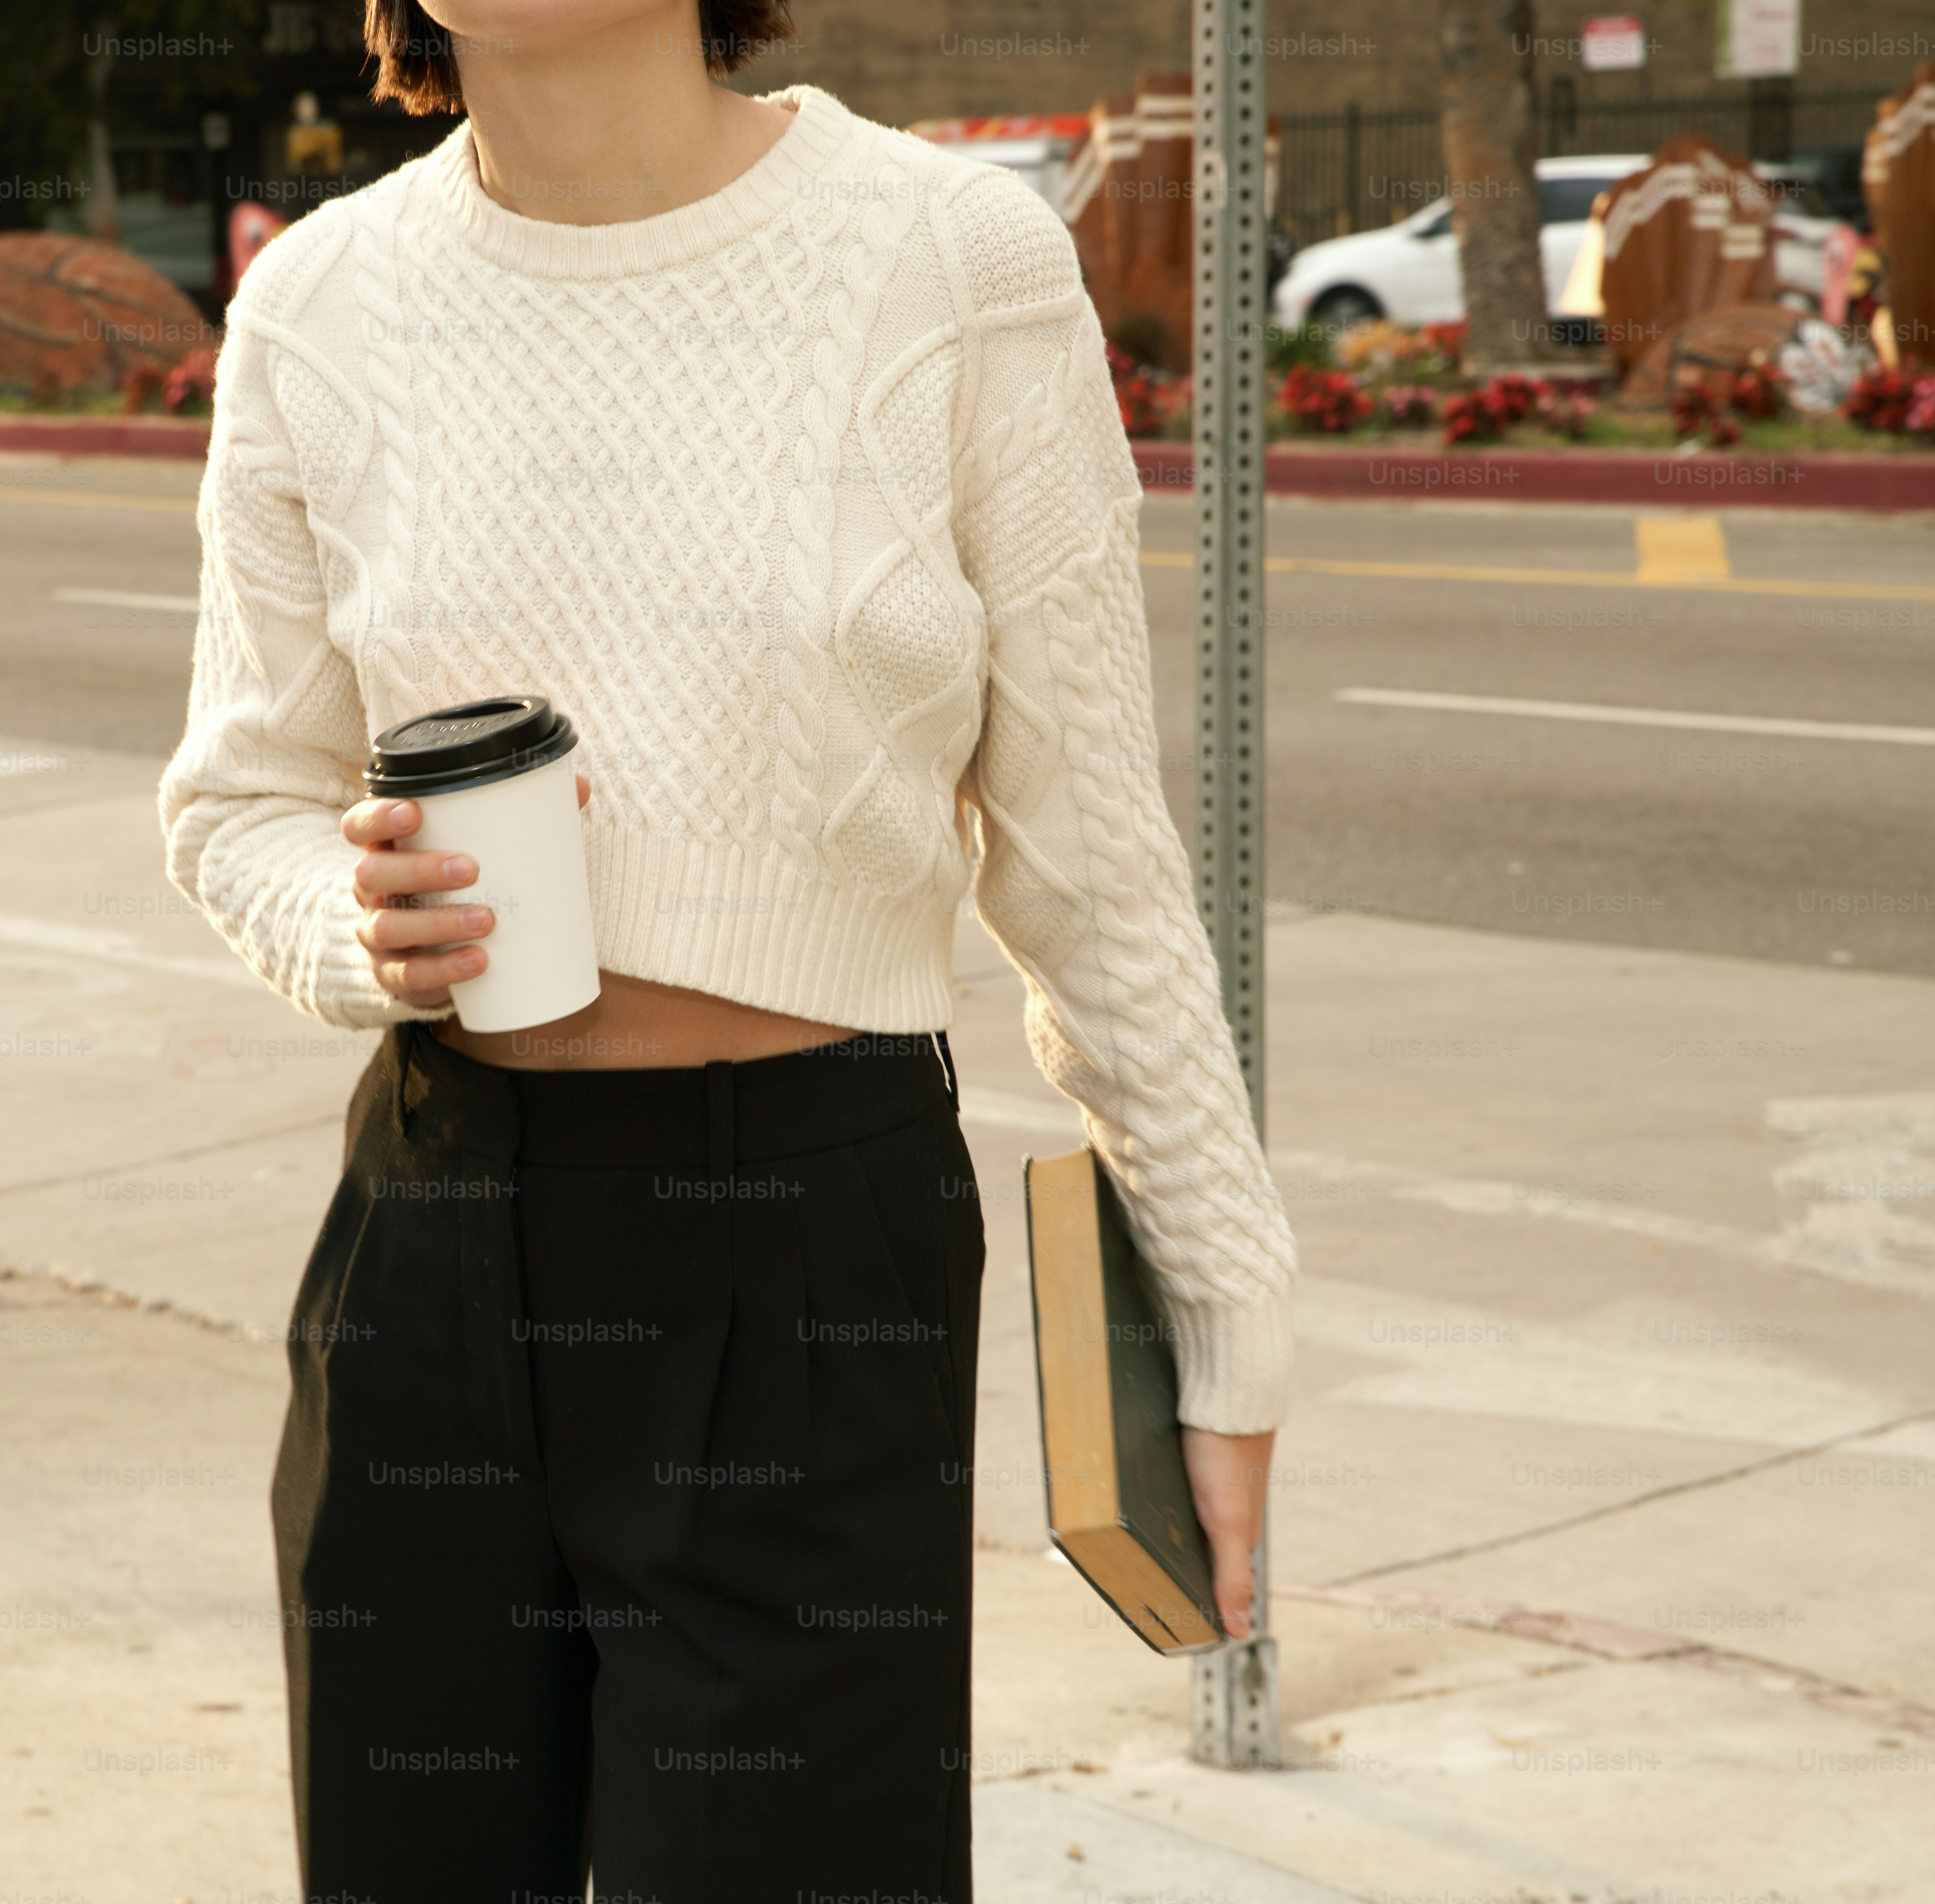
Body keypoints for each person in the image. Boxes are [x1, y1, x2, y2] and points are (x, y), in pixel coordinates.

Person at [156, 2, 1298, 1897]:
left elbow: (1090, 850)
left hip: (806, 1260)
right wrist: (354, 922)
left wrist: (1225, 1309)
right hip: (431, 1254)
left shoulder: (952, 263)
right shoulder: (322, 303)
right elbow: (236, 800)